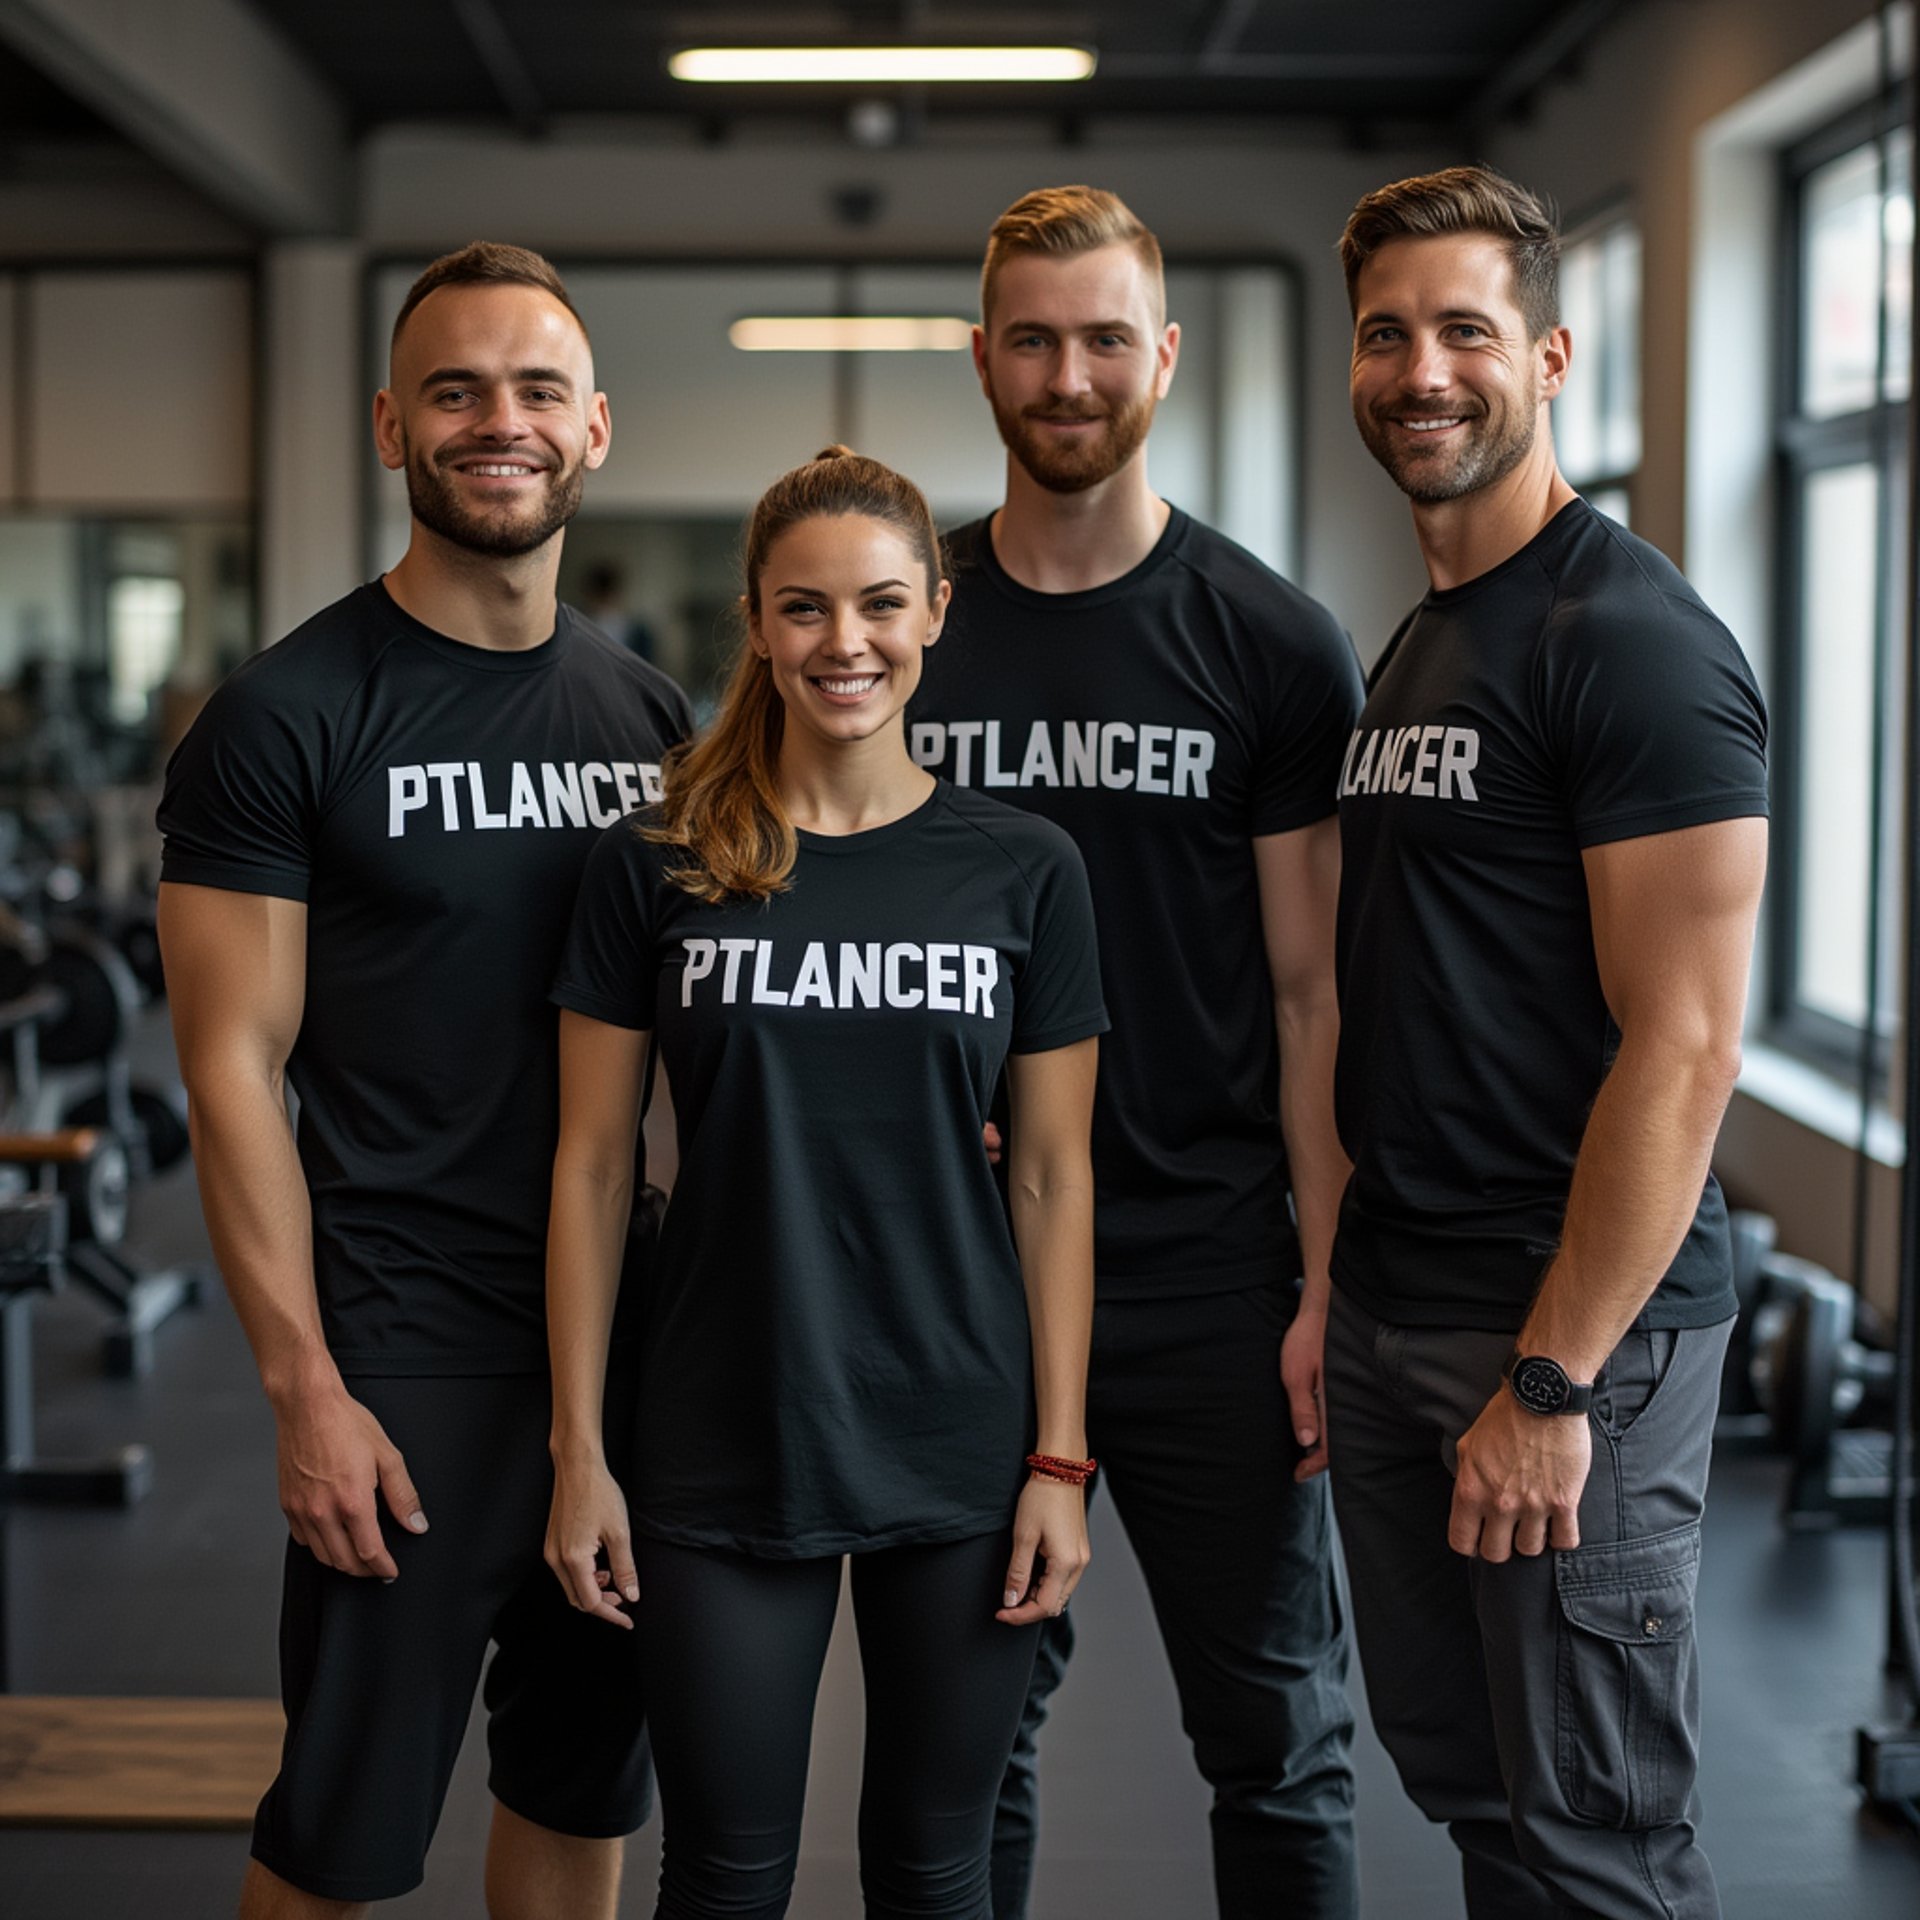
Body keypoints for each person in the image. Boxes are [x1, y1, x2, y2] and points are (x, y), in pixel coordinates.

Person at [156, 242, 692, 1919]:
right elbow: (230, 1069)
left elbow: (706, 1028)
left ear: (596, 427)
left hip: (622, 1346)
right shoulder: (286, 718)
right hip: (406, 1350)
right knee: (342, 1825)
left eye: (538, 390)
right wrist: (302, 1388)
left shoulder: (653, 715)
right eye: (455, 390)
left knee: (581, 1777)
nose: (499, 422)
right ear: (392, 425)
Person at [542, 446, 1107, 1920]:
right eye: (803, 610)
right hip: (720, 1423)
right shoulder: (658, 860)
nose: (841, 644)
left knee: (938, 1872)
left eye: (876, 607)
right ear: (756, 621)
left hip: (960, 1434)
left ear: (933, 615)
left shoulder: (1026, 870)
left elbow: (1052, 1178)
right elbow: (595, 1168)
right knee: (724, 1874)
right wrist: (579, 1451)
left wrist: (1059, 1458)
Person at [908, 185, 1361, 1919]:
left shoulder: (1267, 644)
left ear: (1161, 355)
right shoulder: (906, 625)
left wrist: (1326, 1284)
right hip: (959, 1283)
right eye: (1033, 338)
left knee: (1279, 1744)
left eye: (1106, 337)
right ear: (982, 361)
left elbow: (1312, 996)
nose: (1070, 373)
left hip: (1207, 1281)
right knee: (968, 1745)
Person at [1326, 165, 1769, 1919]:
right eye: (1385, 332)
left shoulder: (1634, 642)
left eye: (1465, 330)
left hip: (1564, 1340)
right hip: (1399, 1309)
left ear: (1553, 354)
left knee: (1596, 1839)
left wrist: (1551, 1379)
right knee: (1481, 1803)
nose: (1422, 371)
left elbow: (1686, 1048)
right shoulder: (1432, 636)